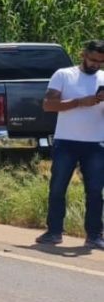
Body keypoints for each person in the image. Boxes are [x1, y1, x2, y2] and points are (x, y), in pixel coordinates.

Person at [35, 40, 104, 248]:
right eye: (93, 60)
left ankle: (94, 235)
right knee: (58, 188)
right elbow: (48, 105)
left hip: (96, 143)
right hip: (66, 141)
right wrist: (79, 102)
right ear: (83, 55)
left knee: (94, 190)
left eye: (101, 62)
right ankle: (54, 232)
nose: (96, 65)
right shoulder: (64, 75)